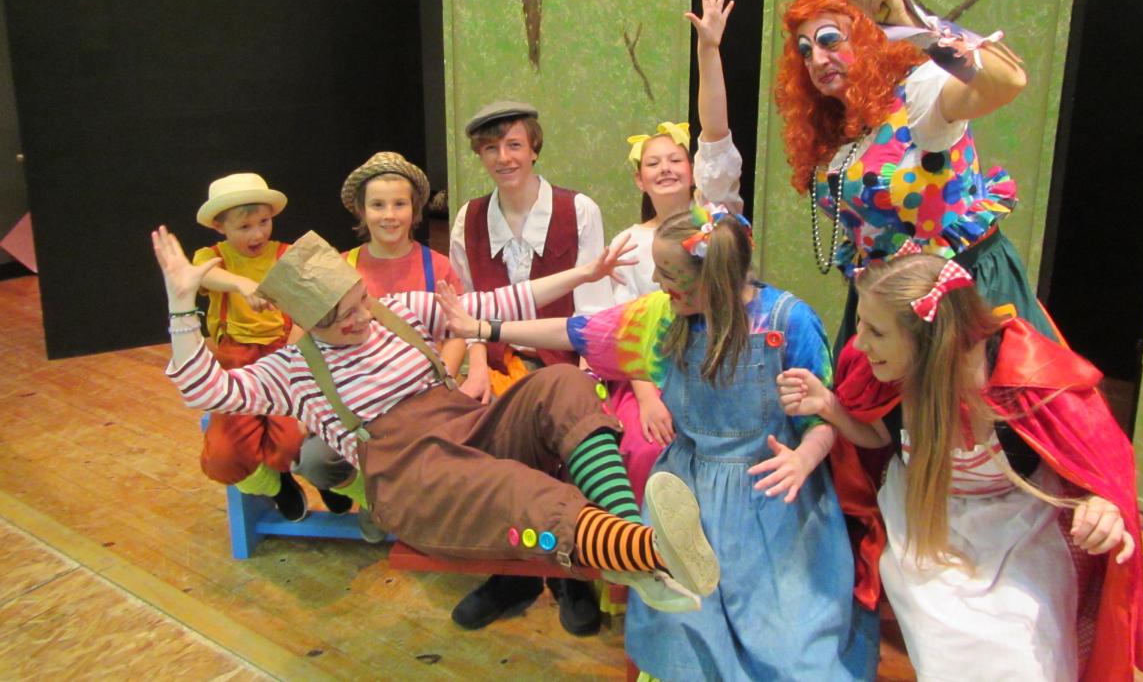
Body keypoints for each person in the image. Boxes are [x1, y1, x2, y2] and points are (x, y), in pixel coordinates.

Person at [152, 225, 719, 617]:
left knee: (562, 384)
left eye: (359, 302)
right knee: (513, 488)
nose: (360, 320)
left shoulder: (396, 312)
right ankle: (648, 552)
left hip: (468, 428)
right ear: (309, 322)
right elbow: (205, 389)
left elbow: (500, 303)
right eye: (340, 319)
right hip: (413, 477)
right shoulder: (293, 370)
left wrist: (583, 272)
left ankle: (628, 545)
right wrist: (182, 305)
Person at [436, 207, 877, 680]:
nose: (654, 279)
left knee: (787, 641)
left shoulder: (789, 322)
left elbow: (822, 417)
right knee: (687, 634)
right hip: (687, 501)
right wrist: (483, 329)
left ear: (713, 279)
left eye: (667, 272)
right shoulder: (663, 317)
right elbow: (575, 332)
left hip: (775, 504)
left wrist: (804, 459)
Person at [778, 253, 1143, 681]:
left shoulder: (1031, 383)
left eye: (876, 331)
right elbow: (879, 436)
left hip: (1020, 524)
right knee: (945, 639)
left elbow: (1101, 465)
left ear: (930, 341)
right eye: (860, 324)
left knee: (1025, 644)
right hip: (925, 515)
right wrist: (829, 405)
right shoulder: (886, 377)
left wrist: (1101, 503)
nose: (858, 344)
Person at [775, 0, 1059, 351]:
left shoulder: (920, 95)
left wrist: (912, 23)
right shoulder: (835, 129)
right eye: (806, 51)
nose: (817, 59)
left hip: (959, 299)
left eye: (829, 40)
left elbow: (1008, 81)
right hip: (885, 307)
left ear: (868, 35)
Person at [448, 100, 615, 633]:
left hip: (564, 357)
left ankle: (570, 572)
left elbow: (594, 307)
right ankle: (511, 572)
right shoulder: (469, 218)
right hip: (499, 360)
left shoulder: (578, 210)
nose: (504, 157)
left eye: (514, 144)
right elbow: (467, 306)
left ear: (534, 147)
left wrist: (588, 376)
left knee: (572, 442)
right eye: (491, 148)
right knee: (490, 452)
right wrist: (476, 367)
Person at [607, 0, 744, 504]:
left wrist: (709, 51)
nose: (665, 168)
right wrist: (646, 398)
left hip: (720, 361)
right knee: (646, 449)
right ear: (639, 180)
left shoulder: (715, 216)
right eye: (652, 163)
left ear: (693, 170)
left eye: (675, 159)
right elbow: (624, 332)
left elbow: (716, 131)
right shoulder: (627, 244)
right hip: (652, 375)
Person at [294, 151, 467, 541]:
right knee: (316, 460)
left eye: (399, 204)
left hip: (419, 399)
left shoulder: (437, 267)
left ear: (415, 210)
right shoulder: (339, 266)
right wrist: (309, 403)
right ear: (361, 210)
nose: (389, 215)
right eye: (377, 205)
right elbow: (302, 339)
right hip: (353, 402)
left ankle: (421, 510)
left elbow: (458, 331)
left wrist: (445, 382)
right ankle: (374, 499)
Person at [189, 172, 338, 521]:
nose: (257, 234)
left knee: (293, 439)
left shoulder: (285, 254)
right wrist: (241, 284)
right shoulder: (212, 257)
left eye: (264, 222)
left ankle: (325, 479)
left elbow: (325, 285)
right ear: (219, 226)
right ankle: (277, 485)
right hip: (237, 364)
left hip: (286, 356)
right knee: (224, 454)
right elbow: (198, 275)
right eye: (244, 227)